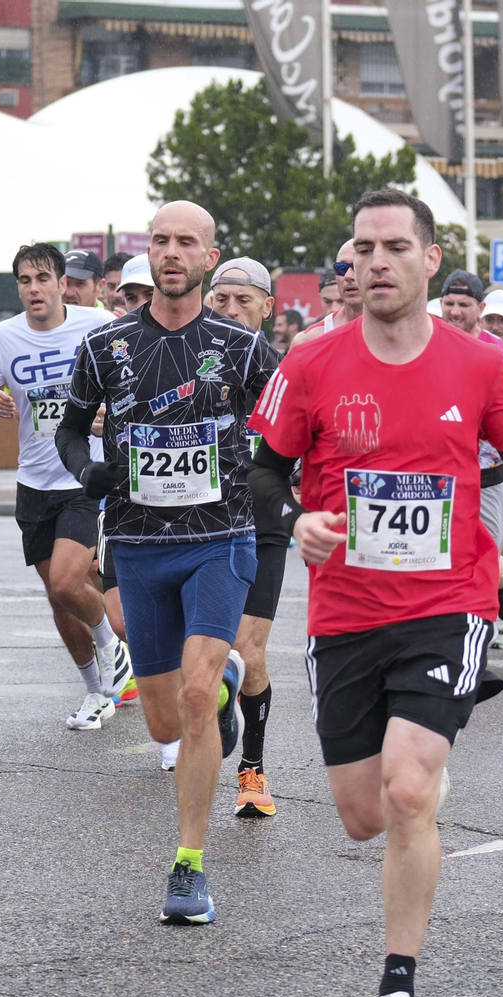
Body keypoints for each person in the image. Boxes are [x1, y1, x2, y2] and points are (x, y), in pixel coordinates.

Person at [249, 187, 503, 997]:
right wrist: (293, 523)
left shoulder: (481, 363)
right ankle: (415, 771)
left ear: (430, 259)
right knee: (360, 814)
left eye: (393, 246)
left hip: (448, 602)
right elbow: (264, 475)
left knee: (407, 791)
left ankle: (398, 989)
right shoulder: (310, 364)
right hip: (345, 610)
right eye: (361, 249)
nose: (374, 261)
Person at [55, 200, 267, 925]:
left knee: (197, 694)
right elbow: (73, 431)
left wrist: (287, 500)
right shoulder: (106, 345)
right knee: (162, 722)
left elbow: (290, 433)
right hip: (140, 545)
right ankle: (225, 680)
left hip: (221, 538)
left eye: (186, 242)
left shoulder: (241, 348)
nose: (171, 252)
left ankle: (189, 864)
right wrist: (88, 472)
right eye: (160, 240)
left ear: (210, 257)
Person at [0, 243, 131, 729]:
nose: (33, 288)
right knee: (59, 594)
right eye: (24, 280)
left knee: (68, 579)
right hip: (33, 479)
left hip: (85, 475)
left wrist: (111, 414)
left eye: (42, 278)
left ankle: (113, 648)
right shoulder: (3, 337)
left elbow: (132, 387)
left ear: (63, 284)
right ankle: (95, 691)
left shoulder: (97, 326)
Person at [207, 256, 289, 815]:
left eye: (244, 301)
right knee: (206, 654)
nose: (232, 311)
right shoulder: (192, 362)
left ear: (268, 307)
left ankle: (253, 771)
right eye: (222, 301)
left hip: (262, 521)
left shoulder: (285, 374)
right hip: (200, 523)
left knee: (248, 649)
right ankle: (215, 700)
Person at [438, 269, 503, 661]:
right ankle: (459, 646)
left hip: (491, 477)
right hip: (442, 478)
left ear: (479, 308)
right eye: (449, 304)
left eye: (464, 305)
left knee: (488, 563)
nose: (456, 312)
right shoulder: (429, 347)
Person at [296, 242, 360, 344]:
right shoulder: (313, 338)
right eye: (341, 268)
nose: (348, 276)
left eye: (357, 267)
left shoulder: (392, 331)